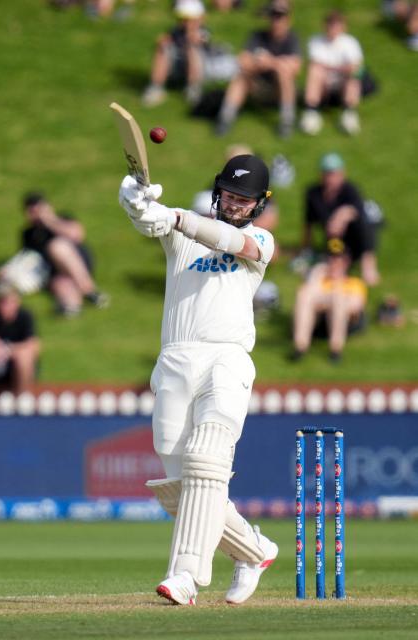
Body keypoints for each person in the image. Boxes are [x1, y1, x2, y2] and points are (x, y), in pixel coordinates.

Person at [118, 154, 279, 605]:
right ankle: (254, 551)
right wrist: (135, 200)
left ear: (258, 205)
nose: (234, 204)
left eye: (244, 200)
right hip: (174, 361)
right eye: (229, 194)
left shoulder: (260, 241)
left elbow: (230, 240)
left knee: (208, 459)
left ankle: (185, 576)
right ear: (217, 191)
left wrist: (176, 216)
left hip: (226, 360)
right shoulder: (181, 234)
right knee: (179, 489)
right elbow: (151, 223)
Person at [215, 0, 302, 137]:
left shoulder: (292, 39)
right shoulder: (257, 36)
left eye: (280, 17)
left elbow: (295, 67)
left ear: (287, 19)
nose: (276, 21)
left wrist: (271, 62)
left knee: (284, 74)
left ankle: (286, 122)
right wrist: (258, 63)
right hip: (257, 86)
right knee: (241, 76)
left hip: (278, 90)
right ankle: (225, 119)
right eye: (273, 16)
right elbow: (242, 60)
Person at [21, 192, 109, 317]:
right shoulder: (28, 233)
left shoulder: (63, 219)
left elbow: (77, 235)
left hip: (78, 262)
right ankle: (72, 306)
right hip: (54, 271)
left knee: (56, 246)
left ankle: (89, 290)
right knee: (60, 283)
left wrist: (49, 220)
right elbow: (27, 257)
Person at [302, 153, 380, 286]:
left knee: (364, 223)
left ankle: (368, 262)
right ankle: (337, 263)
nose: (330, 178)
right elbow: (308, 223)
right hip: (334, 238)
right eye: (327, 174)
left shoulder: (350, 190)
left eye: (333, 174)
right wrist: (306, 248)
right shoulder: (314, 194)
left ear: (342, 174)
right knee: (334, 256)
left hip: (356, 238)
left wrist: (341, 216)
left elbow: (358, 210)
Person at [292, 238, 367, 362]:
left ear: (346, 261)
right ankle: (300, 346)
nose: (334, 263)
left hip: (345, 322)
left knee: (337, 298)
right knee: (304, 293)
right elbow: (306, 295)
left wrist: (333, 295)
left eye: (338, 259)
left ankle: (335, 349)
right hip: (319, 321)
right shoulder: (320, 280)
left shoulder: (354, 283)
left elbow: (355, 307)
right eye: (330, 259)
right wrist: (318, 273)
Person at [300, 10, 365, 135]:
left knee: (354, 73)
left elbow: (357, 66)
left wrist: (333, 68)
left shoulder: (350, 42)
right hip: (323, 85)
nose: (333, 28)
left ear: (343, 27)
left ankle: (349, 114)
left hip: (342, 84)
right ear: (325, 26)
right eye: (331, 24)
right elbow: (315, 64)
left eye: (337, 25)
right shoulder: (315, 41)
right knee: (314, 71)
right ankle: (311, 113)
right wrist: (341, 67)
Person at [141, 0, 210, 107]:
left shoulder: (202, 32)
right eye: (181, 19)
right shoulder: (176, 31)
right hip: (176, 67)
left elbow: (202, 40)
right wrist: (163, 42)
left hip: (201, 69)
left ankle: (193, 89)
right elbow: (167, 40)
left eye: (187, 19)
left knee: (193, 49)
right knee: (163, 49)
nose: (184, 22)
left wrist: (192, 37)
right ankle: (156, 88)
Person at [0, 282, 41, 394]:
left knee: (24, 357)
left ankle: (22, 399)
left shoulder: (25, 317)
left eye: (7, 302)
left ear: (16, 302)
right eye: (1, 301)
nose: (3, 306)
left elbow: (34, 346)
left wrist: (9, 350)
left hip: (16, 366)